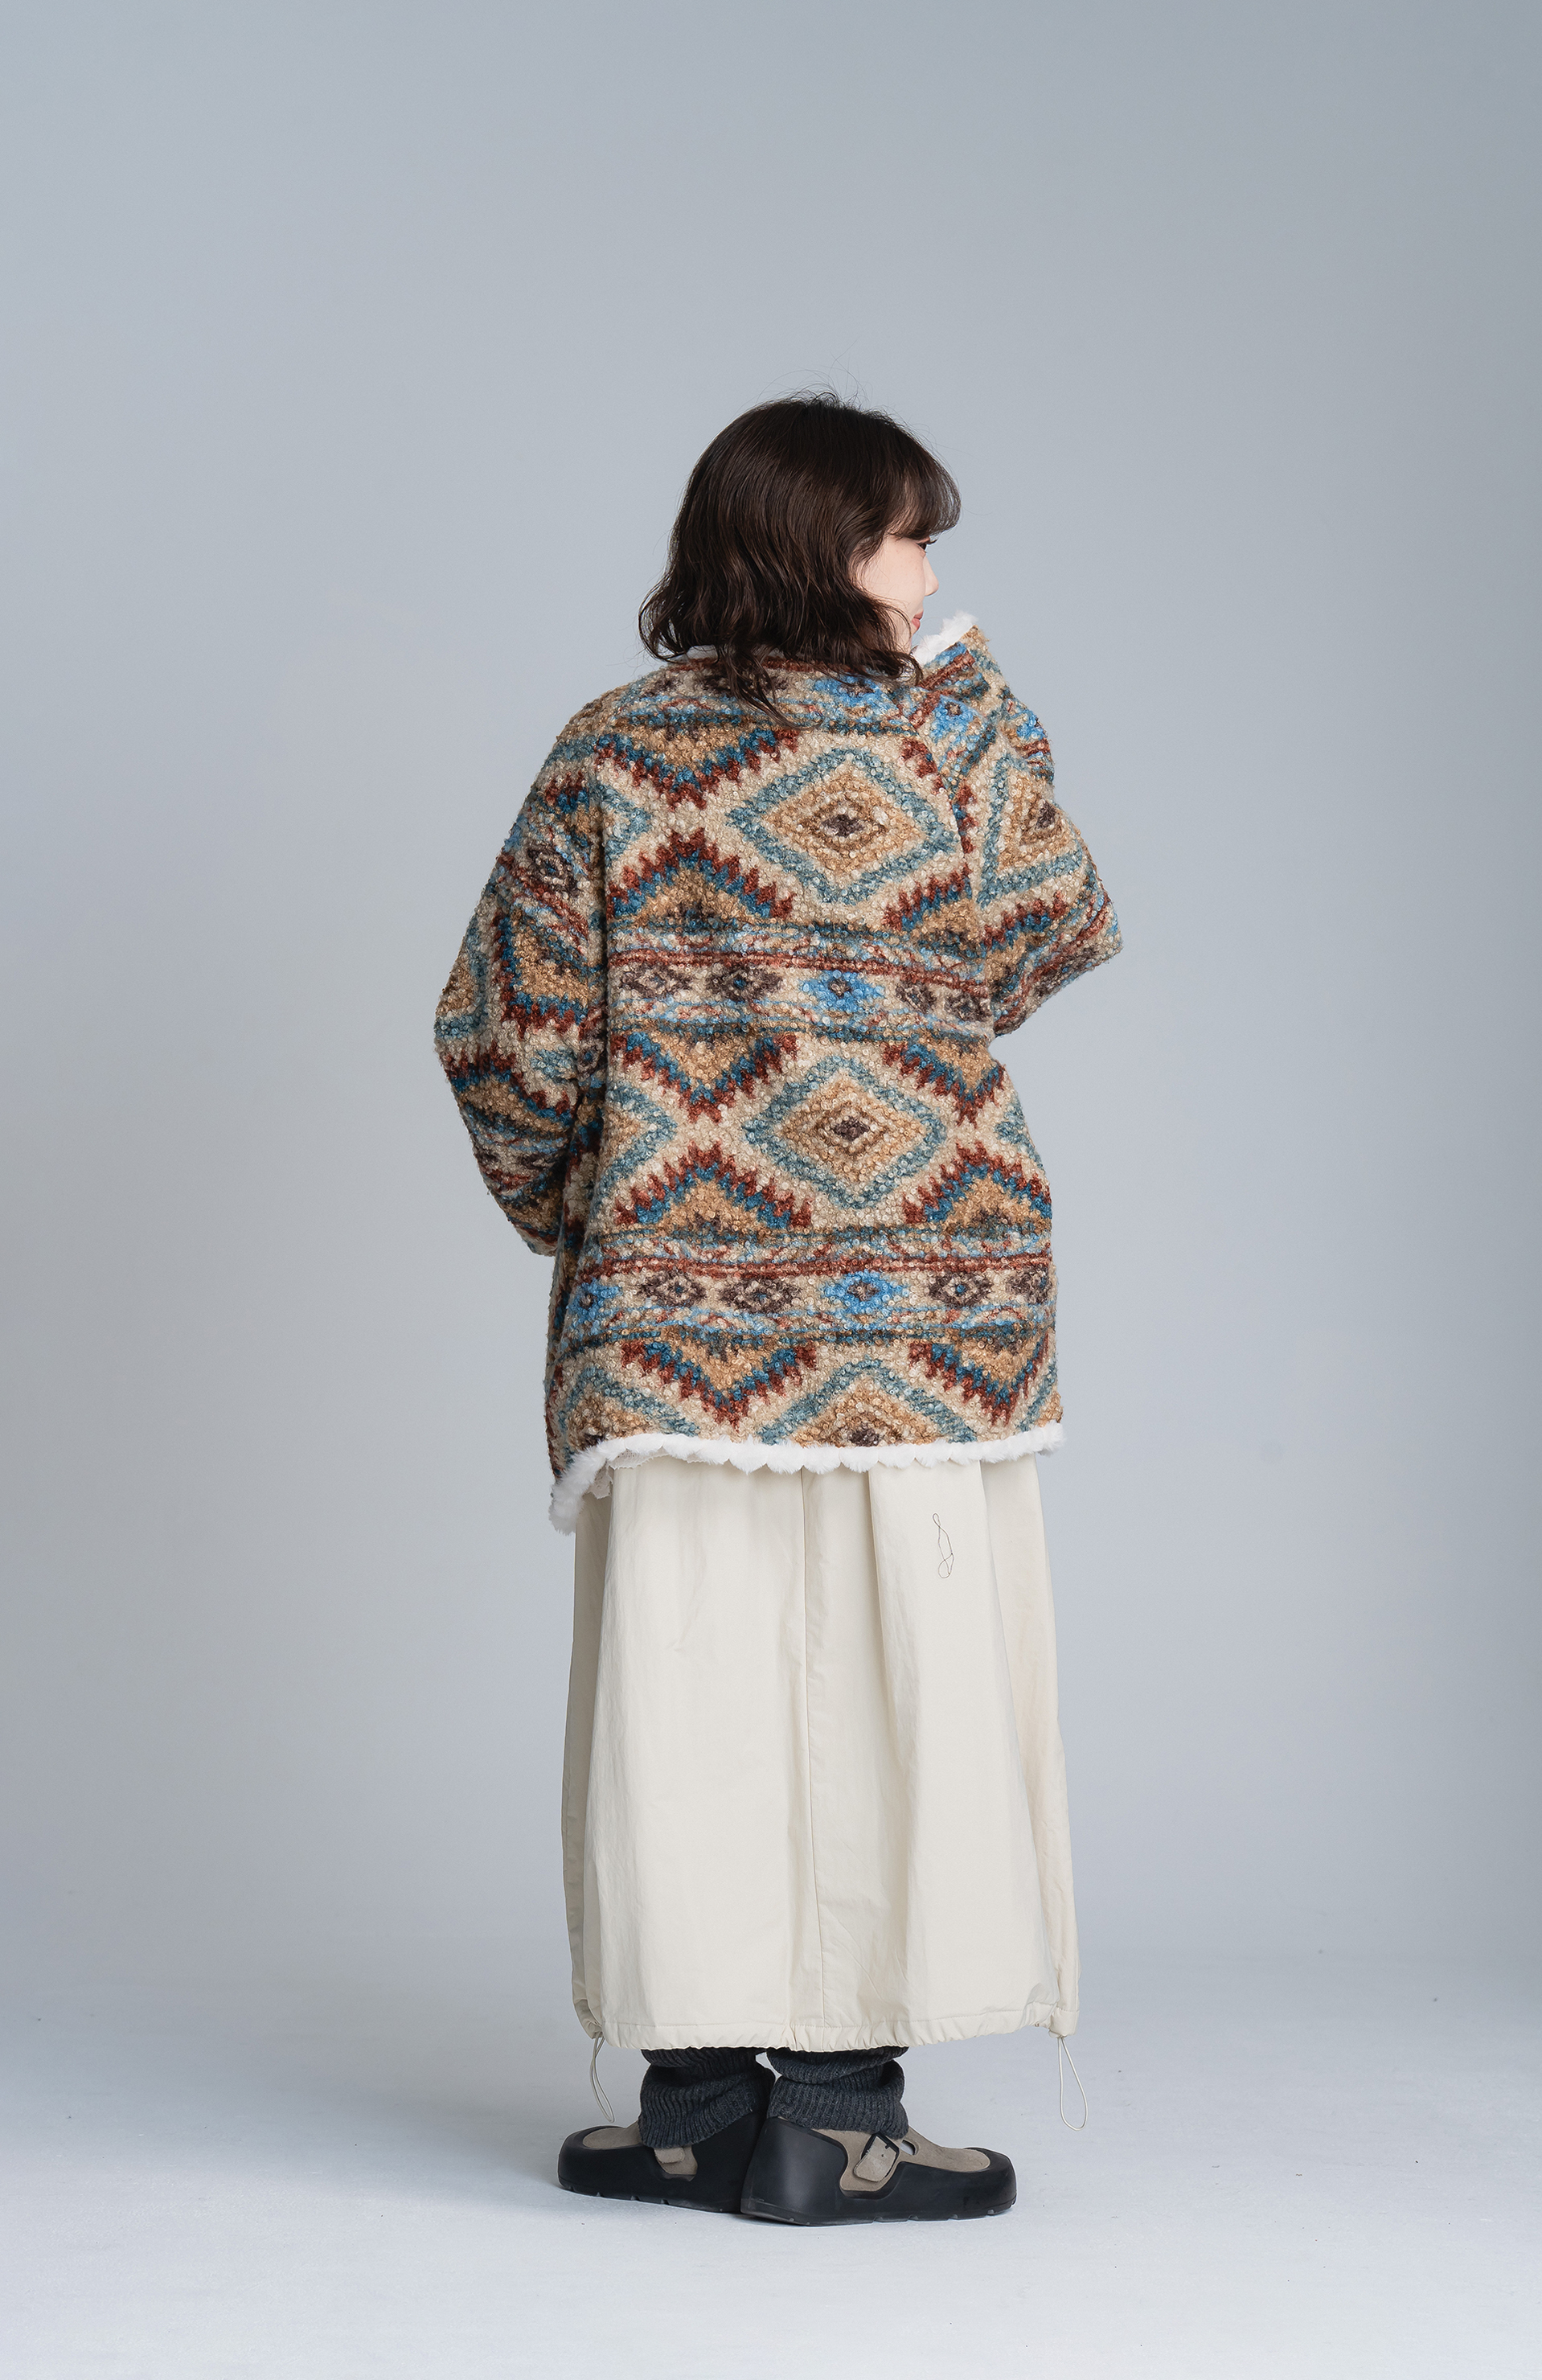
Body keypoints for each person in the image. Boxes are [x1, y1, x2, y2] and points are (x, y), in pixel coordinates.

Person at [434, 393, 1121, 2224]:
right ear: (828, 546)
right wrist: (976, 704)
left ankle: (691, 2114)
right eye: (910, 540)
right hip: (930, 1320)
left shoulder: (610, 749)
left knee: (690, 1705)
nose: (932, 579)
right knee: (904, 1698)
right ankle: (839, 2118)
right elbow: (1039, 938)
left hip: (673, 1335)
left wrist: (606, 1232)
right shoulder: (951, 735)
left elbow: (501, 1036)